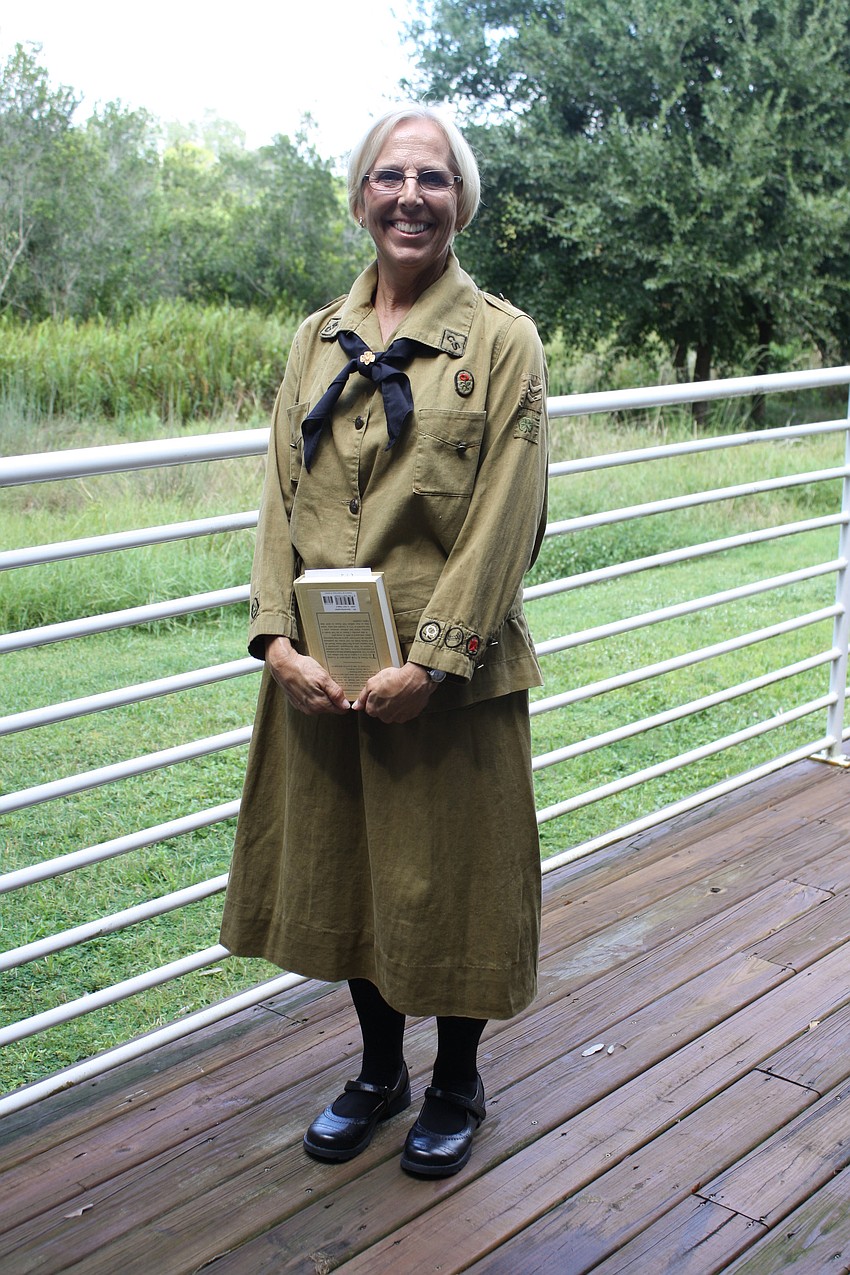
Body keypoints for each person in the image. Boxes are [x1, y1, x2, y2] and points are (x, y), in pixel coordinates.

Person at [220, 105, 549, 1178]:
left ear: (461, 200)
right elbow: (276, 499)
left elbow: (510, 512)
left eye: (434, 178)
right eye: (390, 176)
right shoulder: (315, 340)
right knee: (353, 874)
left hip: (447, 681)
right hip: (326, 674)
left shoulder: (502, 341)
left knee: (449, 882)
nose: (411, 195)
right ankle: (378, 1069)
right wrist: (276, 641)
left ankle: (455, 1078)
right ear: (361, 196)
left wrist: (437, 655)